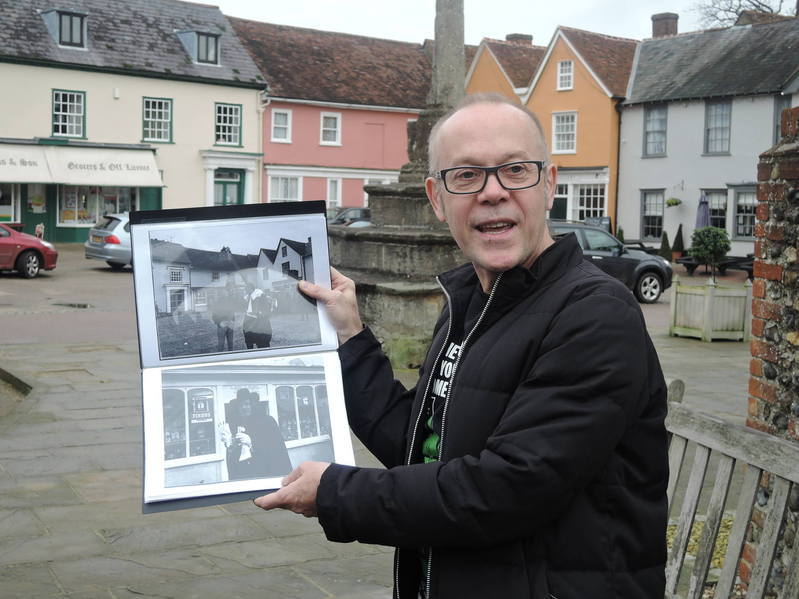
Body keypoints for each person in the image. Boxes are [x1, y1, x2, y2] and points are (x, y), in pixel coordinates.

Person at [254, 94, 669, 599]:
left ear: (549, 183)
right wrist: (351, 337)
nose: (493, 192)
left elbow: (507, 490)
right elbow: (424, 445)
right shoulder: (471, 302)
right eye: (466, 176)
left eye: (515, 170)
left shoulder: (596, 314)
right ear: (436, 197)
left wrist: (336, 492)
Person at [223, 389, 292, 480]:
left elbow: (275, 449)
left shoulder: (267, 421)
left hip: (266, 472)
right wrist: (231, 446)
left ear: (253, 405)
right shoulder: (236, 424)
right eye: (241, 405)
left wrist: (252, 443)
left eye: (247, 404)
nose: (244, 407)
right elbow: (236, 457)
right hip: (246, 475)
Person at [242, 282, 273, 349]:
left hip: (261, 326)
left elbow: (267, 310)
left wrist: (258, 313)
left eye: (246, 289)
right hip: (250, 326)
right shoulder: (247, 297)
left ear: (251, 288)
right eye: (245, 289)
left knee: (263, 347)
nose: (245, 291)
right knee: (250, 346)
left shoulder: (261, 296)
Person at [210, 278, 239, 352]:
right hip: (222, 326)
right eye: (230, 289)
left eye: (233, 289)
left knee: (231, 345)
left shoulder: (232, 300)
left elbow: (232, 312)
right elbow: (214, 315)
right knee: (221, 345)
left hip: (230, 326)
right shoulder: (219, 301)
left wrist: (233, 321)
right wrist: (220, 323)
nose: (232, 291)